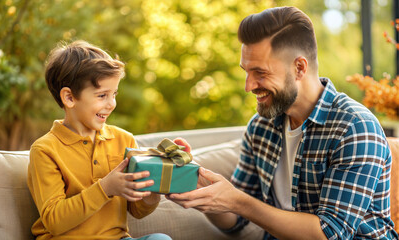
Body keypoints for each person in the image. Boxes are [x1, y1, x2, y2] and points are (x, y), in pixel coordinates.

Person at [167, 6, 399, 240]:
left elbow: (329, 234)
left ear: (299, 67)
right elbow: (236, 220)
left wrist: (238, 201)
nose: (248, 86)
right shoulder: (261, 127)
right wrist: (201, 190)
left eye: (260, 72)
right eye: (246, 72)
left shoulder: (354, 127)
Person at [27, 40, 173, 240]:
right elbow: (54, 221)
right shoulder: (45, 149)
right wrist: (105, 188)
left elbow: (137, 211)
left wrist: (153, 191)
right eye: (102, 95)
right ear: (69, 98)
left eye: (114, 94)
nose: (111, 104)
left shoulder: (124, 140)